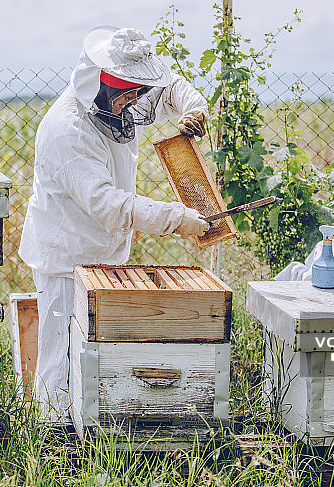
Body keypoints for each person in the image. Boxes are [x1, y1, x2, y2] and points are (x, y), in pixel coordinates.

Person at [18, 25, 211, 419]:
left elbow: (172, 86)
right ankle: (53, 436)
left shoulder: (120, 95)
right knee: (62, 352)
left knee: (95, 351)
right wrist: (177, 218)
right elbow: (107, 205)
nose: (137, 101)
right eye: (129, 93)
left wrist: (195, 106)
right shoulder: (68, 131)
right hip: (65, 255)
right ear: (103, 85)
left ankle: (91, 427)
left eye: (140, 91)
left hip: (104, 252)